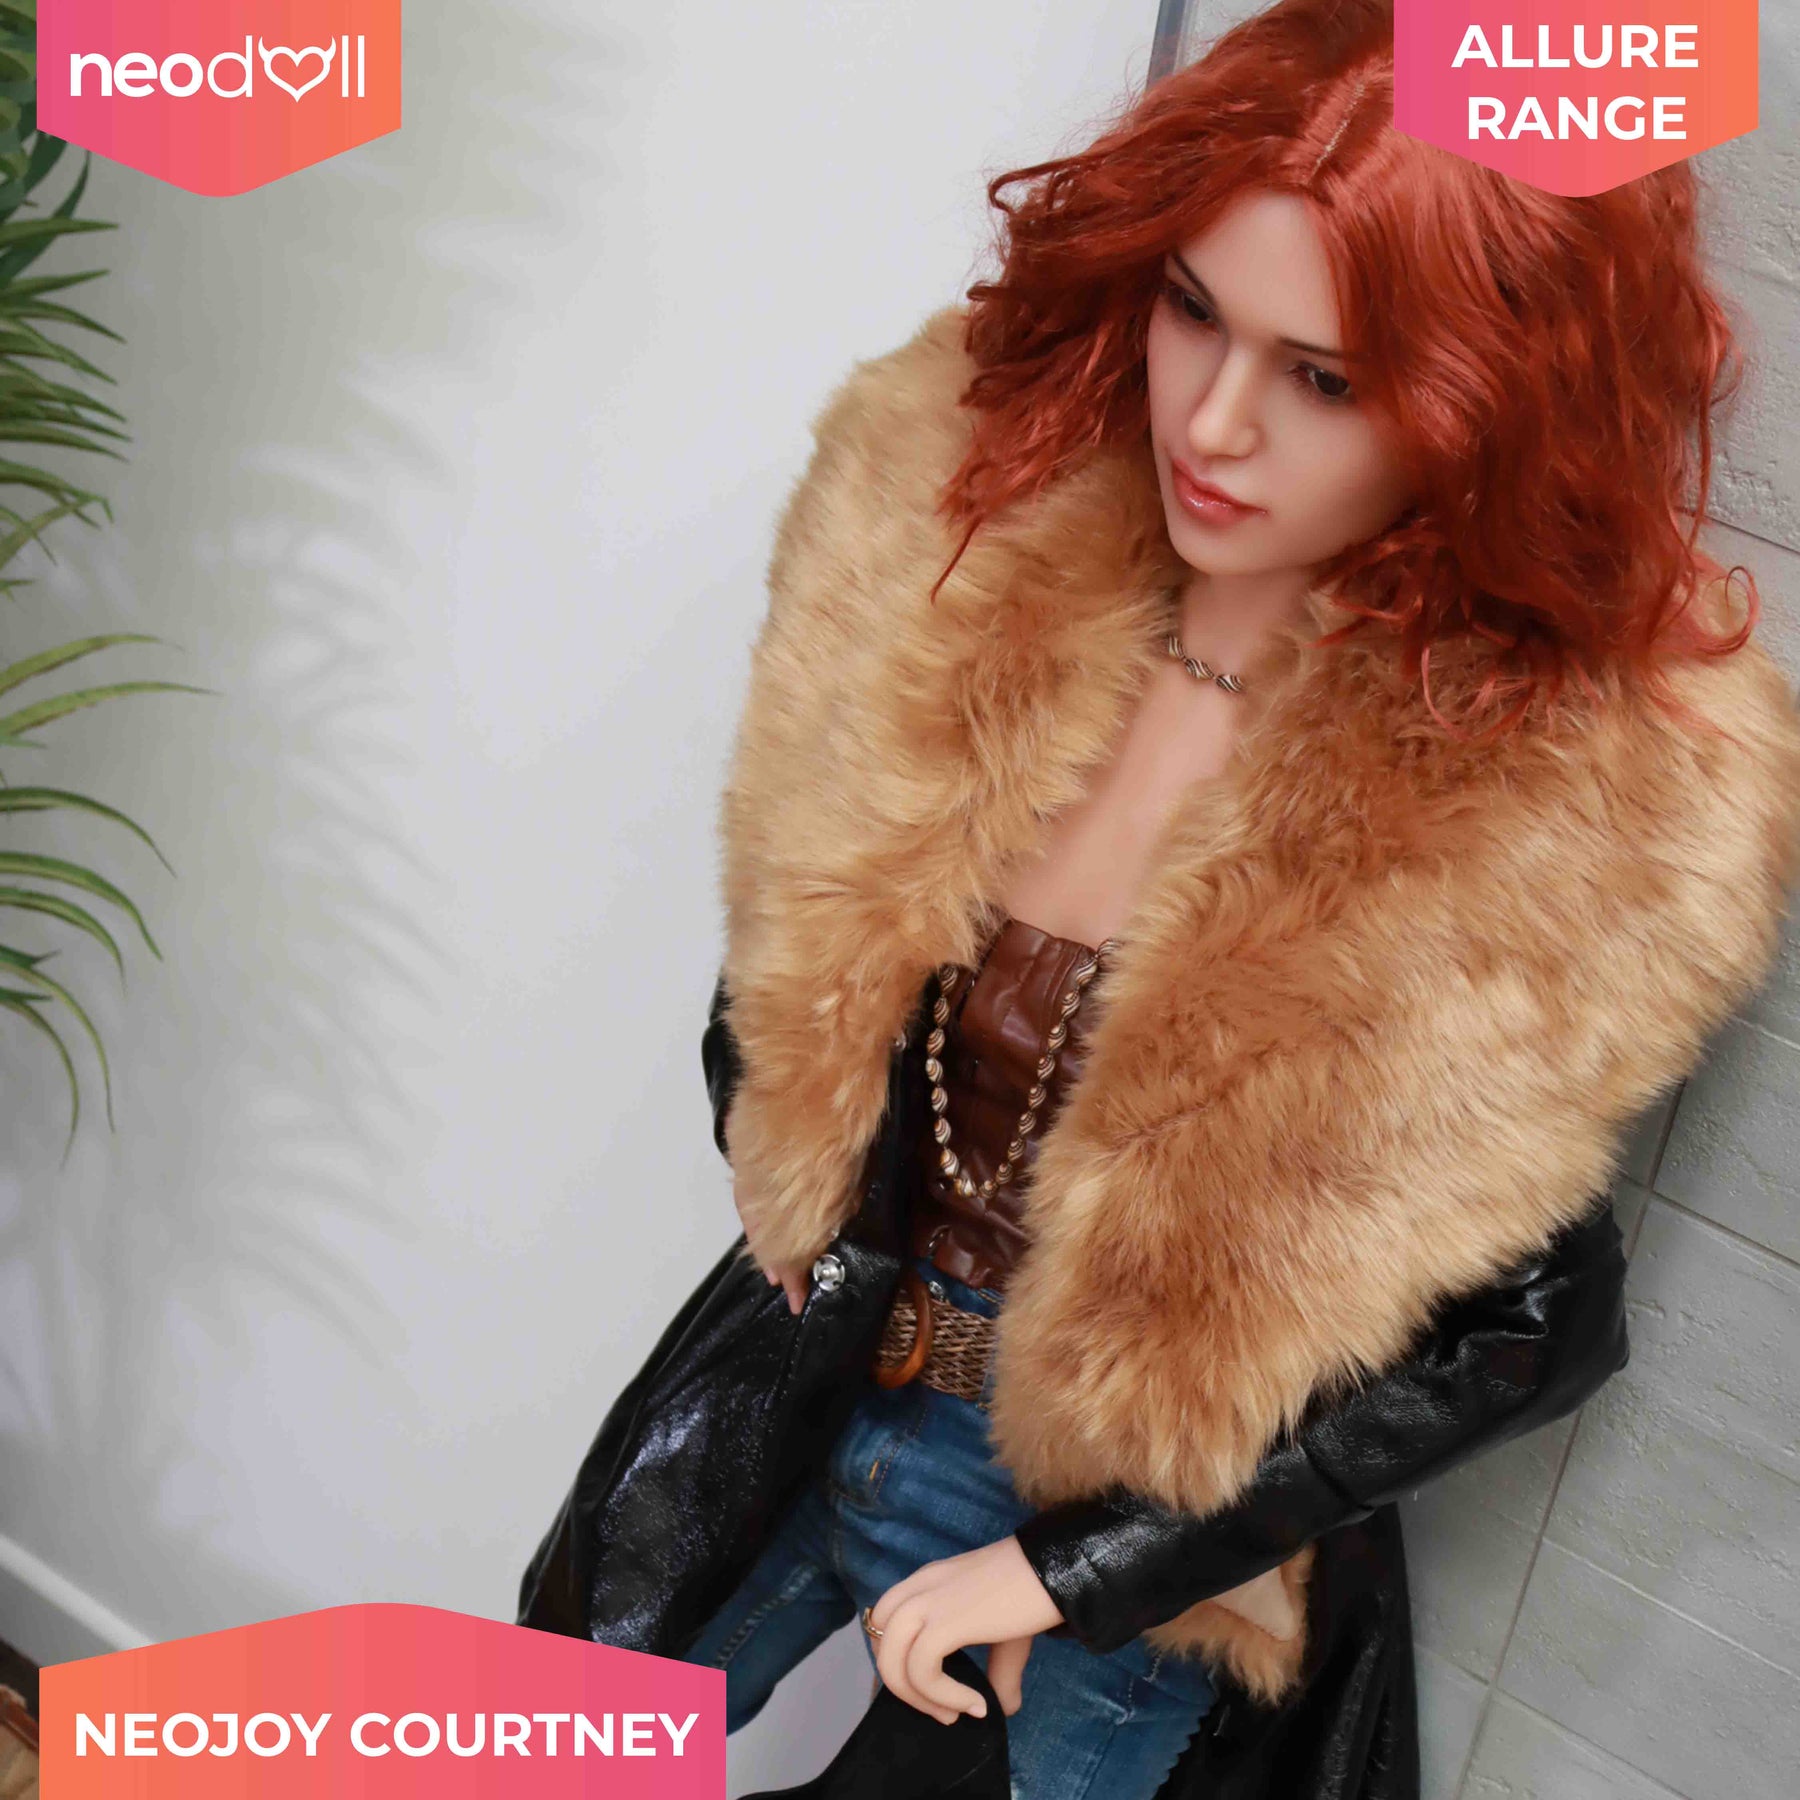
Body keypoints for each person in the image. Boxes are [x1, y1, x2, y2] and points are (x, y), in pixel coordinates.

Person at [518, 4, 1800, 1796]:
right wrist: (774, 1125)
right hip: (813, 1363)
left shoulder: (1538, 818)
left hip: (1104, 1535)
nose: (1213, 420)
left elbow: (1541, 1325)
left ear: (1487, 400)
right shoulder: (956, 529)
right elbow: (803, 937)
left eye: (1326, 379)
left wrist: (1079, 1570)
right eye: (1193, 309)